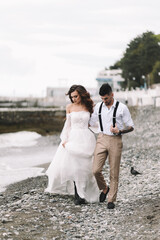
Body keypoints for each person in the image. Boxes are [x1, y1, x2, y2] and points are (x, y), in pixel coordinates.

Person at [45, 85, 99, 205]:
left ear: (82, 94)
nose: (74, 99)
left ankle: (84, 193)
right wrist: (64, 140)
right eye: (72, 97)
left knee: (85, 167)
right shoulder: (69, 107)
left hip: (86, 137)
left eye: (76, 96)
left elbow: (94, 123)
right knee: (75, 166)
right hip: (73, 137)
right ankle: (78, 196)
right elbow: (67, 125)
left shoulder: (89, 106)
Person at [89, 83, 134, 209]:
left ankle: (111, 200)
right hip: (102, 138)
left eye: (106, 98)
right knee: (95, 170)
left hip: (116, 140)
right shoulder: (98, 106)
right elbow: (90, 122)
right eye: (102, 99)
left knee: (114, 172)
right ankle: (104, 188)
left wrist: (119, 131)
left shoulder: (122, 108)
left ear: (112, 95)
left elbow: (131, 126)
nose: (104, 101)